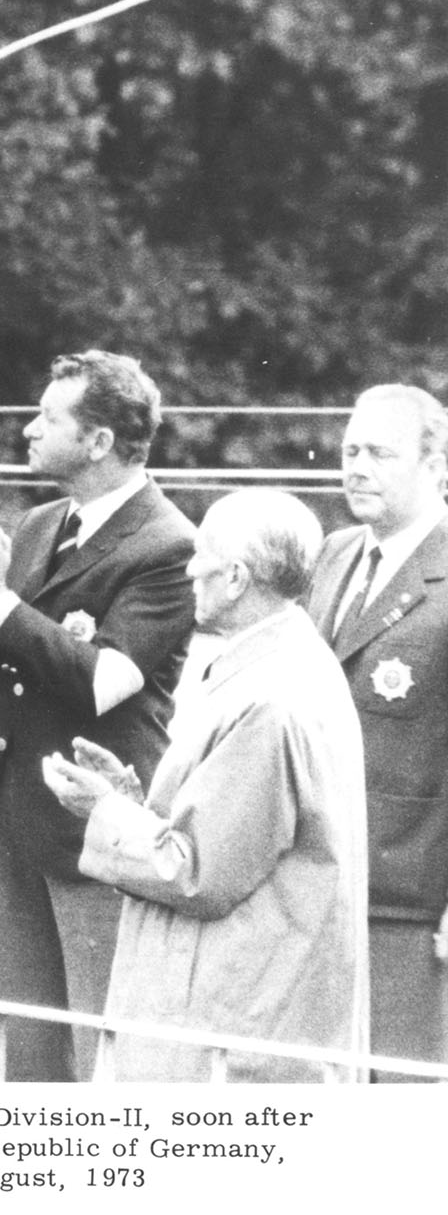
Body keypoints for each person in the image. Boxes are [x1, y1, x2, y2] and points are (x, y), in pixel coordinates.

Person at [0, 349, 196, 1081]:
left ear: (100, 440)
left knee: (101, 1049)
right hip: (13, 815)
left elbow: (103, 680)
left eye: (49, 416)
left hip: (91, 829)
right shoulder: (42, 522)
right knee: (31, 1052)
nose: (27, 429)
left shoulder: (167, 545)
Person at [46, 488, 369, 1081]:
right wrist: (132, 798)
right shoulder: (280, 660)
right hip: (238, 1007)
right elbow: (229, 831)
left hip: (230, 1034)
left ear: (238, 578)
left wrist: (106, 811)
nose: (189, 567)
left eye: (202, 554)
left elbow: (194, 872)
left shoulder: (273, 699)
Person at [304, 384, 448, 1079]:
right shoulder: (333, 554)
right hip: (318, 885)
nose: (357, 466)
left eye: (380, 453)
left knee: (402, 1111)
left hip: (408, 902)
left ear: (435, 465)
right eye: (350, 450)